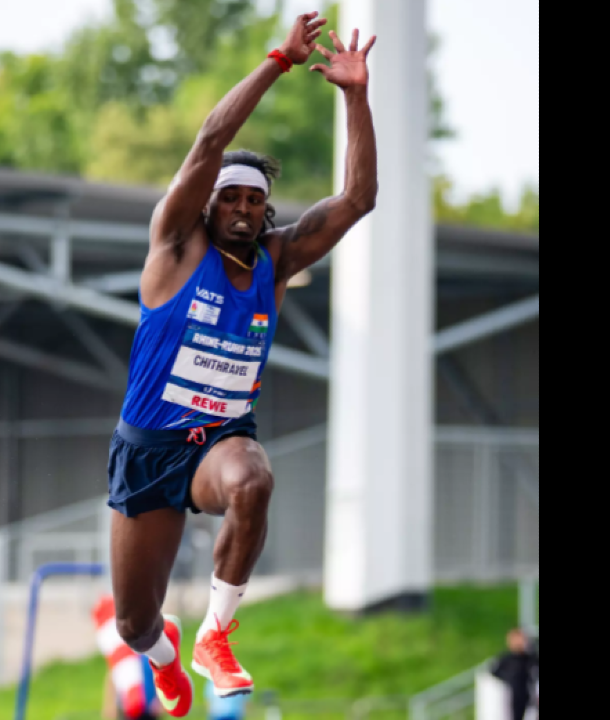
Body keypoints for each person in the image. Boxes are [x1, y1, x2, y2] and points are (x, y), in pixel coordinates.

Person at [104, 8, 378, 717]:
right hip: (149, 449)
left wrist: (355, 95)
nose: (245, 208)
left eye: (257, 200)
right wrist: (279, 62)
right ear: (210, 203)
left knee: (255, 478)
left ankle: (215, 637)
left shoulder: (276, 260)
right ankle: (164, 653)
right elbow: (211, 139)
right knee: (135, 623)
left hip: (218, 444)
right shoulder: (175, 247)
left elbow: (357, 199)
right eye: (232, 196)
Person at [489, 628, 539, 720]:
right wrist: (508, 679)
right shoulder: (507, 658)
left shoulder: (528, 657)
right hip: (514, 691)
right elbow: (494, 671)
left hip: (528, 689)